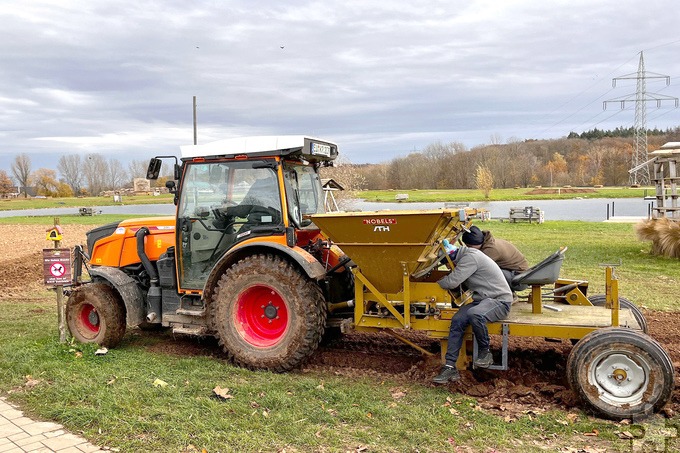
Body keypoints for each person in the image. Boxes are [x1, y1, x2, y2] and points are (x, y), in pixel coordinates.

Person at [433, 244, 513, 383]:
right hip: (483, 299)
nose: (447, 267)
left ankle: (485, 352)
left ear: (451, 258)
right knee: (457, 319)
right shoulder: (468, 254)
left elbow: (452, 282)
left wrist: (434, 283)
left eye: (445, 264)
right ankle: (449, 366)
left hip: (499, 301)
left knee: (475, 314)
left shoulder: (470, 258)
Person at [461, 225, 529, 290]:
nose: (468, 248)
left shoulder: (491, 250)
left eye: (470, 246)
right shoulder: (488, 241)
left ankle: (508, 296)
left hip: (519, 281)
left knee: (482, 274)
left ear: (476, 243)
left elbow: (474, 267)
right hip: (518, 275)